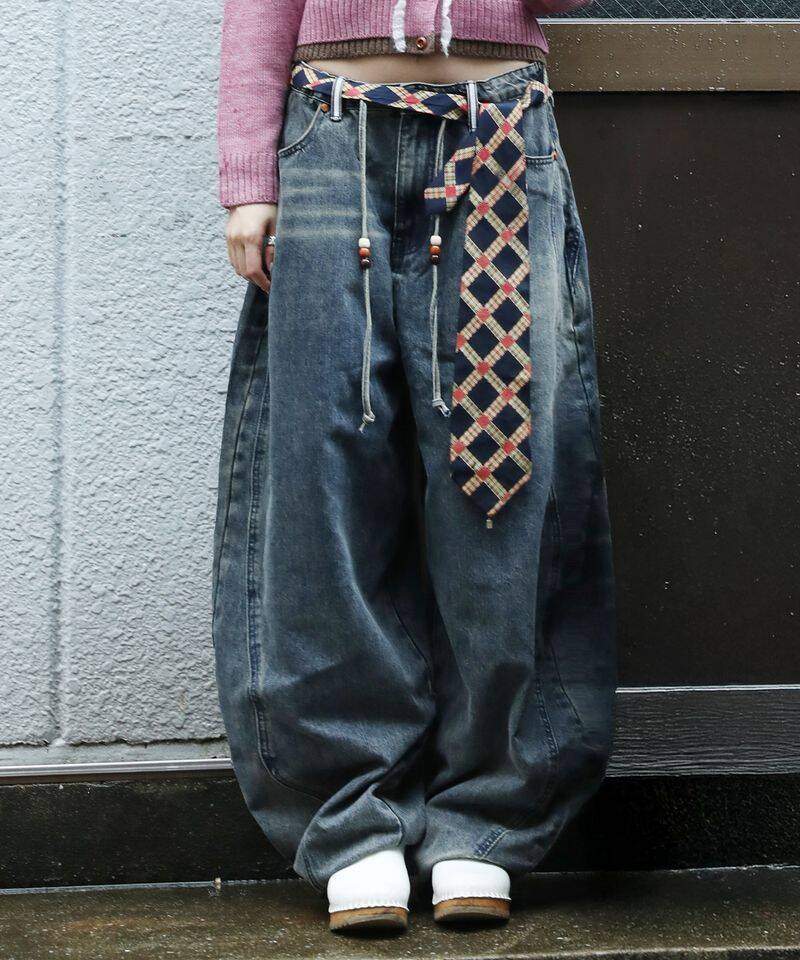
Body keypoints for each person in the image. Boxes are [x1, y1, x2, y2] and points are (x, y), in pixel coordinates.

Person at [213, 0, 616, 934]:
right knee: (321, 485)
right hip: (328, 141)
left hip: (500, 134)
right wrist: (248, 175)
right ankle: (353, 819)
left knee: (504, 481)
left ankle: (490, 813)